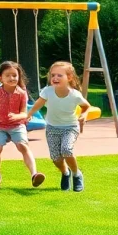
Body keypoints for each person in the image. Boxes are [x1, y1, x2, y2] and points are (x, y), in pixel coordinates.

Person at [27, 61, 91, 192]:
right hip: (52, 127)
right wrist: (30, 114)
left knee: (67, 150)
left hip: (70, 127)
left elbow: (86, 106)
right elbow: (39, 103)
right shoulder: (47, 91)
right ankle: (65, 173)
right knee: (56, 158)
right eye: (53, 75)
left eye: (59, 75)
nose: (55, 78)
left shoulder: (74, 95)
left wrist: (84, 115)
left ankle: (76, 174)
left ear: (69, 77)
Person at [0, 61, 45, 189]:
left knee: (23, 146)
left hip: (17, 125)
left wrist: (17, 116)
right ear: (0, 77)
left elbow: (24, 113)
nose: (12, 78)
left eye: (14, 75)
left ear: (19, 76)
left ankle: (34, 174)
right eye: (8, 75)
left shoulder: (22, 93)